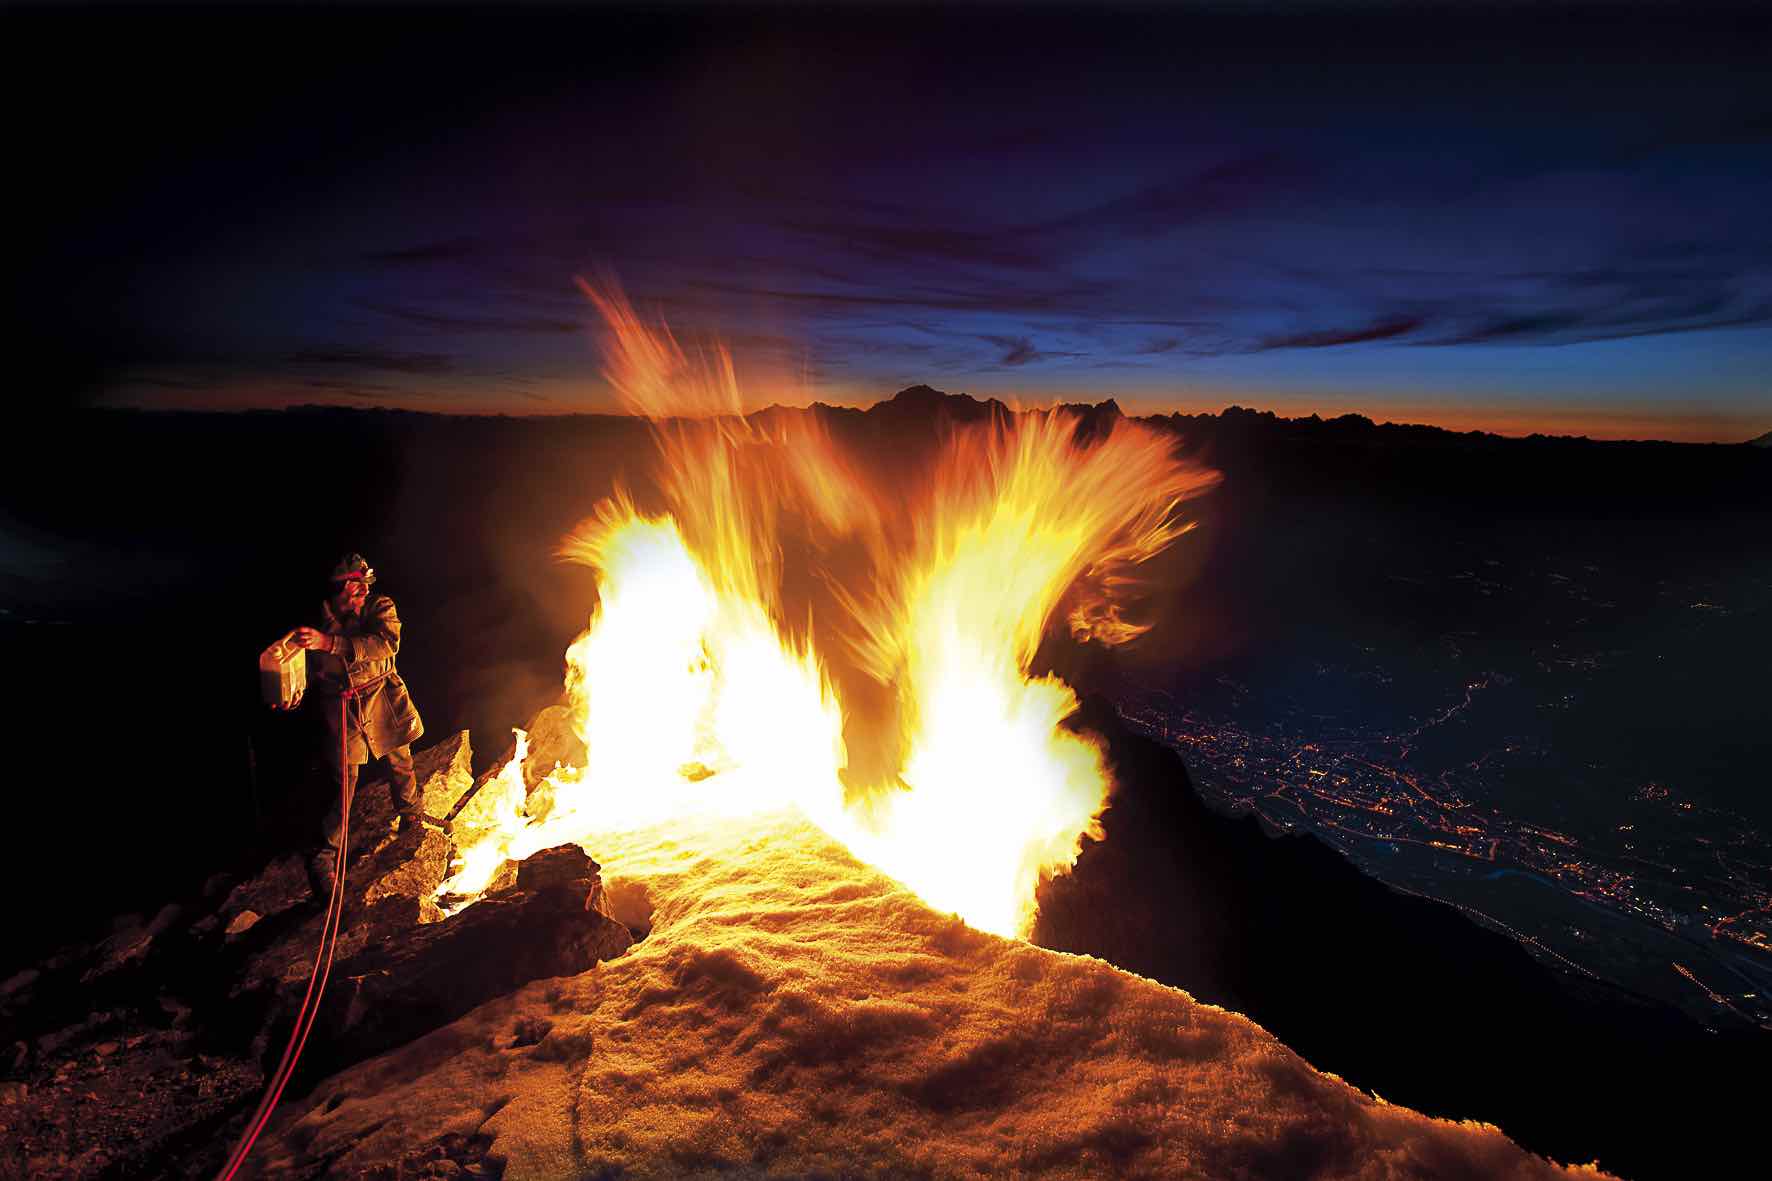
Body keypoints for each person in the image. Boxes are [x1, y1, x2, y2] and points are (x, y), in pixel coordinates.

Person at [291, 552, 426, 898]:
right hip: (341, 707)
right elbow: (298, 665)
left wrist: (332, 644)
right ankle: (325, 857)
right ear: (342, 587)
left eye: (366, 586)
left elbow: (385, 643)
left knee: (400, 762)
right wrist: (289, 692)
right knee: (344, 782)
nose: (365, 592)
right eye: (358, 586)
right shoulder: (315, 620)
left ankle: (412, 819)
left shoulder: (380, 608)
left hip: (382, 695)